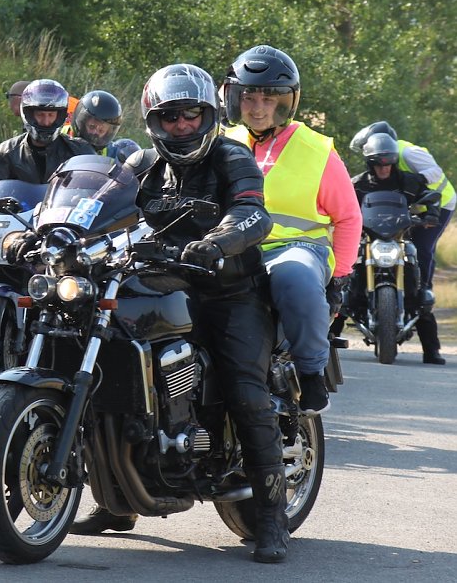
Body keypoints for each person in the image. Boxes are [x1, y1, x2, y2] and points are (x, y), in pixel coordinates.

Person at [71, 63, 289, 564]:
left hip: (229, 292)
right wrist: (57, 232)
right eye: (170, 117)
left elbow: (253, 212)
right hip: (162, 286)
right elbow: (95, 205)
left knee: (245, 392)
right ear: (154, 122)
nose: (183, 125)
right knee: (110, 368)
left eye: (192, 114)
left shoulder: (231, 155)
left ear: (209, 115)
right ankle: (118, 499)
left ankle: (271, 515)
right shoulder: (140, 164)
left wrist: (217, 243)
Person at [222, 45, 362, 415]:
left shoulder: (317, 150)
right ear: (233, 98)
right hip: (233, 246)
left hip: (297, 248)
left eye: (269, 99)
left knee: (294, 277)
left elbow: (348, 218)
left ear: (287, 102)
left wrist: (340, 278)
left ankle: (311, 372)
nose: (257, 108)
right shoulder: (221, 143)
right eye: (249, 97)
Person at [0, 79, 94, 394]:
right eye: (39, 114)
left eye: (51, 115)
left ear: (61, 116)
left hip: (56, 230)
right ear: (27, 114)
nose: (45, 121)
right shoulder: (7, 151)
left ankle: (76, 357)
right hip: (15, 228)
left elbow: (89, 192)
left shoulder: (79, 151)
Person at [349, 121, 455, 364]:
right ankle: (329, 341)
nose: (384, 168)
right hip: (370, 238)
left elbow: (431, 196)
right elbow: (342, 204)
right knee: (348, 280)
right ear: (370, 162)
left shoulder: (408, 180)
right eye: (378, 163)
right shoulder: (358, 183)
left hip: (398, 238)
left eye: (388, 163)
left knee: (418, 286)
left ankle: (431, 350)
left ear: (394, 160)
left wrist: (431, 215)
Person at [63, 90, 123, 157]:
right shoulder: (59, 136)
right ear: (82, 122)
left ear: (108, 133)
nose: (95, 132)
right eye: (92, 127)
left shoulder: (110, 152)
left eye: (101, 131)